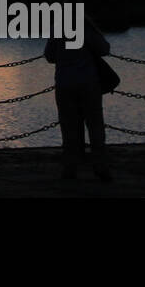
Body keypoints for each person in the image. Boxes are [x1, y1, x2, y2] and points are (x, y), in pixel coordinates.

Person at [44, 10, 113, 181]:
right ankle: (100, 166)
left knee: (69, 128)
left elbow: (49, 56)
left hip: (64, 84)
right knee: (95, 126)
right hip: (89, 83)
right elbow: (105, 49)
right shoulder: (87, 29)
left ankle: (70, 168)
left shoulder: (57, 29)